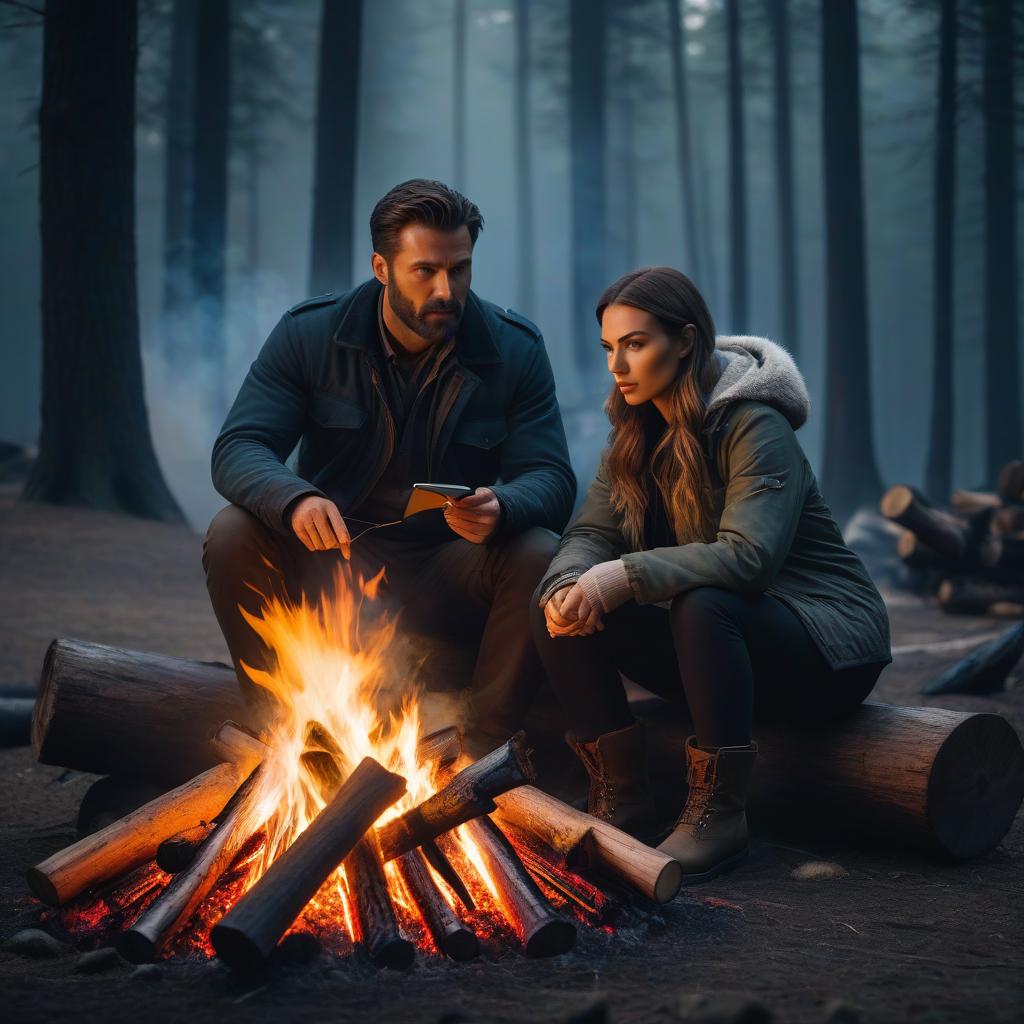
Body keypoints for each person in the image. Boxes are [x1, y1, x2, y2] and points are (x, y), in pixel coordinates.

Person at [530, 266, 891, 884]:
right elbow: (590, 533)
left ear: (687, 341)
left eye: (636, 344)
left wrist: (622, 577)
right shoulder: (634, 432)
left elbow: (749, 558)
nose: (617, 365)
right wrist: (571, 585)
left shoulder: (755, 424)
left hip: (825, 645)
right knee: (552, 591)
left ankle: (718, 818)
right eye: (609, 347)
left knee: (701, 601)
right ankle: (621, 795)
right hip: (723, 655)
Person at [204, 179, 575, 752]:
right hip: (336, 560)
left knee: (538, 550)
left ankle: (481, 750)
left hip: (451, 567)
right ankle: (285, 732)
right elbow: (239, 446)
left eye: (460, 269)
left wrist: (504, 507)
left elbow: (551, 477)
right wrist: (295, 498)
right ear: (381, 267)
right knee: (232, 531)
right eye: (424, 270)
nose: (446, 290)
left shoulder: (515, 348)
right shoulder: (310, 335)